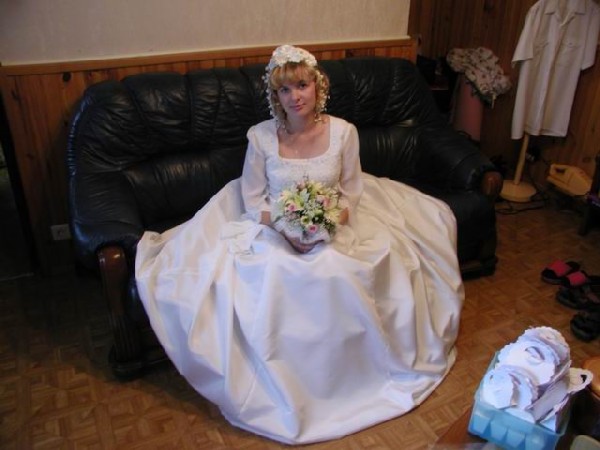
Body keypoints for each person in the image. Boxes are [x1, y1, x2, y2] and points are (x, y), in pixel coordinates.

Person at [135, 45, 465, 445]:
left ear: (318, 86)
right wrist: (286, 228)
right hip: (274, 224)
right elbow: (252, 198)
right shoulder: (260, 137)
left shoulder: (344, 132)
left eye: (303, 85)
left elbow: (352, 191)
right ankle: (291, 387)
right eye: (285, 89)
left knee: (338, 266)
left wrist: (326, 224)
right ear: (276, 96)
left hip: (335, 220)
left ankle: (350, 378)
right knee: (276, 271)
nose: (295, 96)